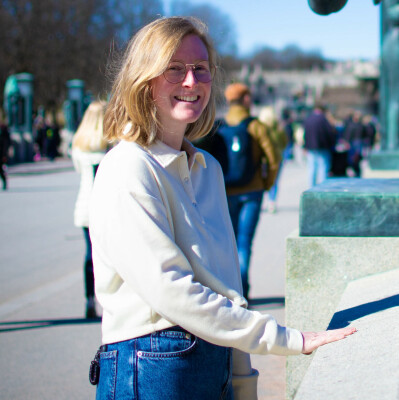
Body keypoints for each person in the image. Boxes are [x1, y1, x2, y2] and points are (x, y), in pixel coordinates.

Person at [89, 16, 356, 400]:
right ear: (144, 81)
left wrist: (243, 384)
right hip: (150, 365)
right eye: (174, 69)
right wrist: (287, 339)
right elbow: (173, 292)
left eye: (201, 69)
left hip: (213, 360)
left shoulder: (207, 169)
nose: (191, 82)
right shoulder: (127, 167)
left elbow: (228, 292)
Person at [222, 83, 280, 299]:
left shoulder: (221, 126)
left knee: (229, 242)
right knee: (244, 242)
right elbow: (274, 158)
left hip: (227, 191)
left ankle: (231, 291)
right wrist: (266, 183)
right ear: (246, 100)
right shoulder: (256, 126)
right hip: (252, 190)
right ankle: (243, 291)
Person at [71, 101, 108, 319]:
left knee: (89, 255)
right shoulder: (111, 144)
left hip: (85, 205)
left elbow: (78, 170)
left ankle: (89, 299)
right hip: (105, 206)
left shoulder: (79, 145)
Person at [258, 105, 288, 213]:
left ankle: (261, 202)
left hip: (262, 159)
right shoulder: (279, 129)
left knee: (260, 180)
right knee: (274, 181)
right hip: (277, 158)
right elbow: (284, 143)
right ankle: (272, 202)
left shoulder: (259, 128)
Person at [303, 102, 336, 187]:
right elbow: (330, 133)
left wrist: (305, 146)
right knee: (323, 168)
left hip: (311, 147)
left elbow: (305, 134)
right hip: (322, 146)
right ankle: (323, 187)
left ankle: (311, 187)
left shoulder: (308, 119)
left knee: (312, 168)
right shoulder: (323, 119)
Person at [0, 112, 11, 190]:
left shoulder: (3, 129)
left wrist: (5, 154)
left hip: (1, 153)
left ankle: (4, 182)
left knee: (0, 170)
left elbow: (7, 142)